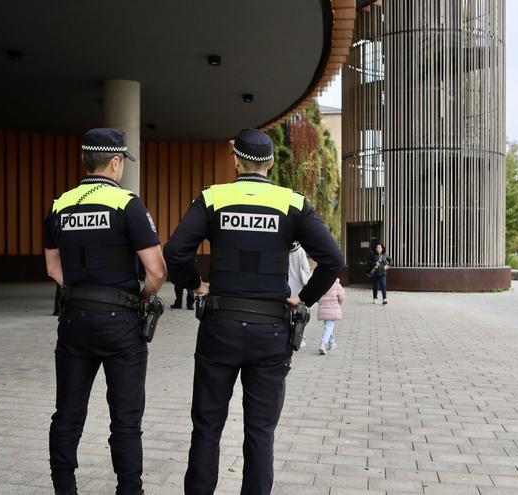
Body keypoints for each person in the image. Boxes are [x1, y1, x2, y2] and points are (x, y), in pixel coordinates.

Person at [164, 128, 343, 495]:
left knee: (207, 427)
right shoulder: (292, 203)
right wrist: (304, 298)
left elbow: (175, 252)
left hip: (220, 326)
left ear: (236, 161)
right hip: (271, 332)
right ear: (271, 162)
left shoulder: (212, 198)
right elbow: (332, 258)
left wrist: (196, 285)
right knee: (260, 432)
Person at [43, 128, 166, 495]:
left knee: (67, 413)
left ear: (86, 160)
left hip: (74, 320)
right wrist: (141, 295)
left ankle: (64, 487)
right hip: (121, 323)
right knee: (125, 419)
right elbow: (157, 271)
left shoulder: (60, 204)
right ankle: (129, 490)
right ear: (114, 162)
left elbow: (53, 268)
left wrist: (81, 291)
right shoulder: (128, 204)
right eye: (122, 161)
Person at [287, 242, 311, 347]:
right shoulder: (300, 251)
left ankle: (288, 335)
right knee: (300, 313)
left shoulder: (284, 249)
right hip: (298, 287)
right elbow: (306, 268)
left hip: (286, 285)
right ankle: (299, 337)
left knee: (288, 312)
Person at [316, 278, 345, 355]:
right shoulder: (336, 284)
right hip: (333, 308)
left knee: (328, 326)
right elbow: (342, 296)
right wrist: (339, 303)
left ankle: (332, 343)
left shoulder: (320, 284)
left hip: (323, 309)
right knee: (329, 326)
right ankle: (323, 344)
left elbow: (316, 296)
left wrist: (321, 302)